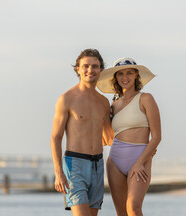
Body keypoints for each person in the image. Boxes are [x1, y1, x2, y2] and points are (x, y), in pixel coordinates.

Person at [50, 49, 113, 216]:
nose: (90, 70)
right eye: (85, 66)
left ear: (101, 70)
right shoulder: (67, 99)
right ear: (77, 68)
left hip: (98, 165)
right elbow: (56, 138)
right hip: (75, 164)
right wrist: (58, 173)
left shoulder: (104, 102)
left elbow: (109, 139)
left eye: (95, 66)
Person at [97, 58, 161, 216]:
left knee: (133, 207)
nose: (125, 77)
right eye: (120, 74)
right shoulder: (114, 104)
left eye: (129, 73)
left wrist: (140, 162)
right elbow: (108, 136)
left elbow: (157, 136)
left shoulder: (146, 98)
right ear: (116, 77)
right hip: (115, 161)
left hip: (140, 159)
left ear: (136, 75)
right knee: (121, 212)